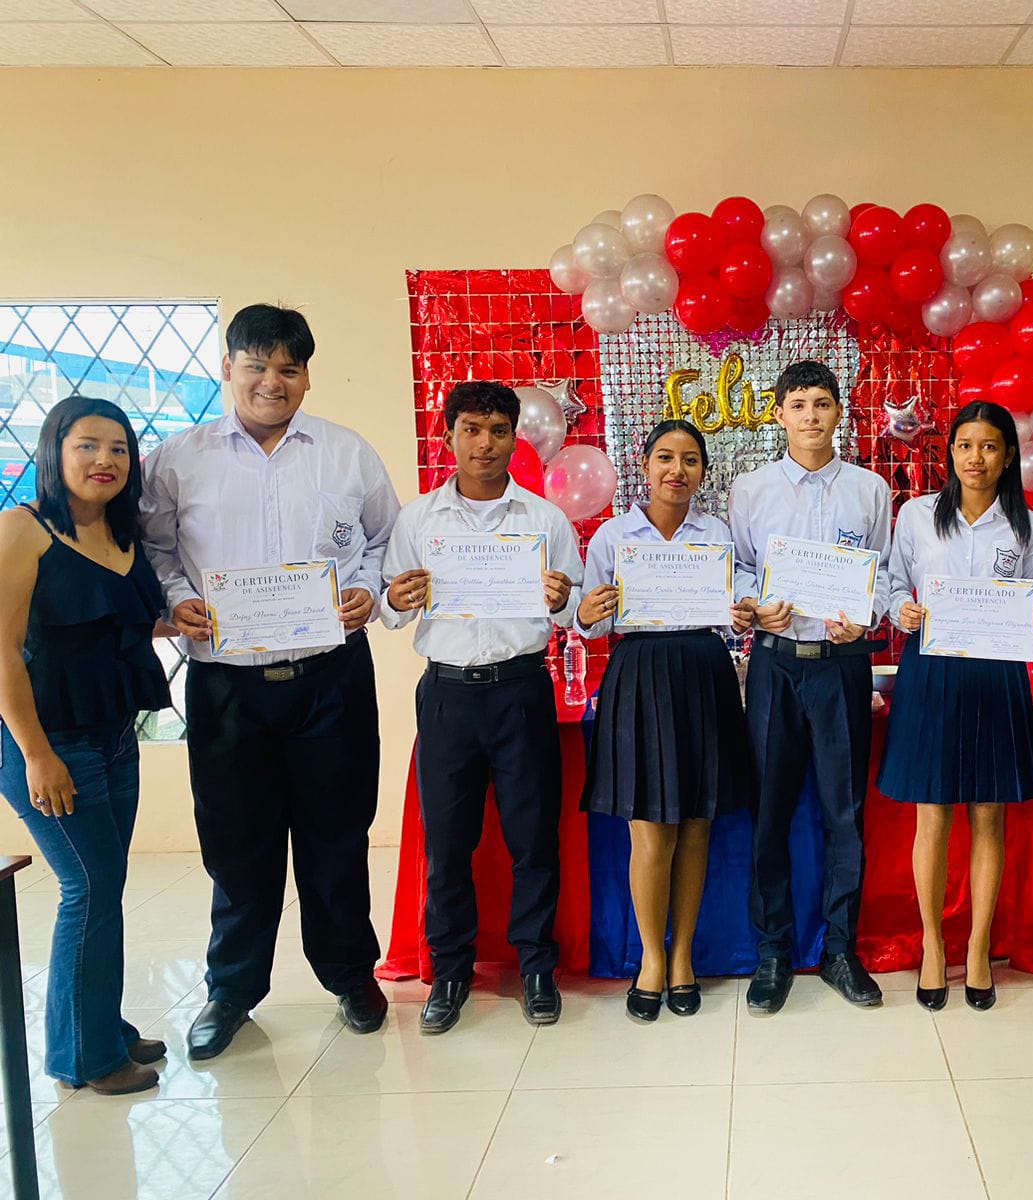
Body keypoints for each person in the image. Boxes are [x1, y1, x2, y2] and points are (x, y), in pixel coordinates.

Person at [140, 304, 400, 1059]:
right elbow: (152, 549)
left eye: (288, 367)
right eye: (256, 365)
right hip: (227, 686)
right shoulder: (178, 459)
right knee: (237, 843)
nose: (271, 381)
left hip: (330, 678)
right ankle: (231, 990)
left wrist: (370, 592)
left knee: (337, 834)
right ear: (228, 368)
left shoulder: (346, 454)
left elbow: (386, 540)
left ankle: (350, 974)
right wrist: (174, 600)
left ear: (307, 376)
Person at [380, 382, 580, 1034]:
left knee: (533, 839)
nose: (485, 444)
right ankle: (450, 972)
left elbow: (578, 610)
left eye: (498, 430)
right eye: (471, 429)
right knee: (448, 844)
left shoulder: (545, 520)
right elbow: (388, 608)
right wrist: (397, 598)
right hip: (448, 695)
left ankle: (536, 967)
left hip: (521, 689)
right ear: (449, 437)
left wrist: (563, 600)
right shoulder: (419, 521)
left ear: (514, 438)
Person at [0, 395, 172, 1094]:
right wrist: (37, 754)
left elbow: (108, 622)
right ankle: (85, 1057)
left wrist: (184, 620)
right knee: (88, 886)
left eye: (119, 449)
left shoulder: (120, 533)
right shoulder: (23, 528)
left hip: (112, 734)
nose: (105, 460)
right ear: (55, 451)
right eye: (88, 446)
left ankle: (101, 1025)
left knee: (107, 884)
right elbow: (2, 651)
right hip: (47, 741)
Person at [575, 419, 756, 1023]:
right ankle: (653, 958)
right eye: (665, 458)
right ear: (645, 465)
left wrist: (742, 611)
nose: (677, 470)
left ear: (703, 471)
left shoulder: (717, 534)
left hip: (703, 672)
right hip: (640, 673)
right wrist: (587, 612)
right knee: (651, 828)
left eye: (690, 460)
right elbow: (591, 625)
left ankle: (683, 959)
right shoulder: (612, 536)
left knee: (697, 824)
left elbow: (734, 614)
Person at [878, 401, 1033, 1013]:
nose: (976, 458)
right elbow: (891, 582)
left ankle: (977, 948)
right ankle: (932, 944)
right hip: (931, 670)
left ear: (1008, 456)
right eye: (965, 446)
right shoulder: (917, 515)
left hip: (997, 675)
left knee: (988, 816)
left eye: (989, 446)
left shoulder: (1029, 528)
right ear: (950, 453)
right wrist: (900, 608)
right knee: (932, 815)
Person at [730, 359, 891, 1014]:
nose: (811, 416)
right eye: (797, 405)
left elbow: (882, 573)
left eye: (822, 403)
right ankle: (773, 950)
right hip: (774, 664)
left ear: (838, 412)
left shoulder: (869, 489)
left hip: (841, 665)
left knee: (844, 811)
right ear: (780, 415)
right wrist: (754, 605)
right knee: (769, 809)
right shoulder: (751, 489)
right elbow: (741, 568)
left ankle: (840, 950)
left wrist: (867, 615)